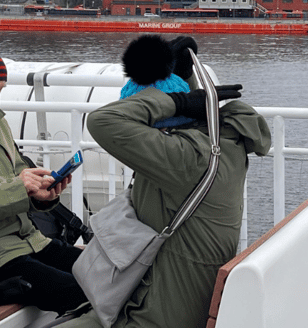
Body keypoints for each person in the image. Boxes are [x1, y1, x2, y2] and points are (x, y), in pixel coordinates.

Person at [62, 35, 271, 328]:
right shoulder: (220, 142)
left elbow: (102, 121)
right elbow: (186, 114)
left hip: (155, 315)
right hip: (167, 295)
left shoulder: (182, 157)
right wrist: (185, 82)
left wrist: (176, 100)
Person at [0, 56, 88, 314]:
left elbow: (17, 175)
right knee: (81, 292)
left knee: (104, 272)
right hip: (5, 255)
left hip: (28, 240)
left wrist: (40, 195)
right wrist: (20, 186)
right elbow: (15, 185)